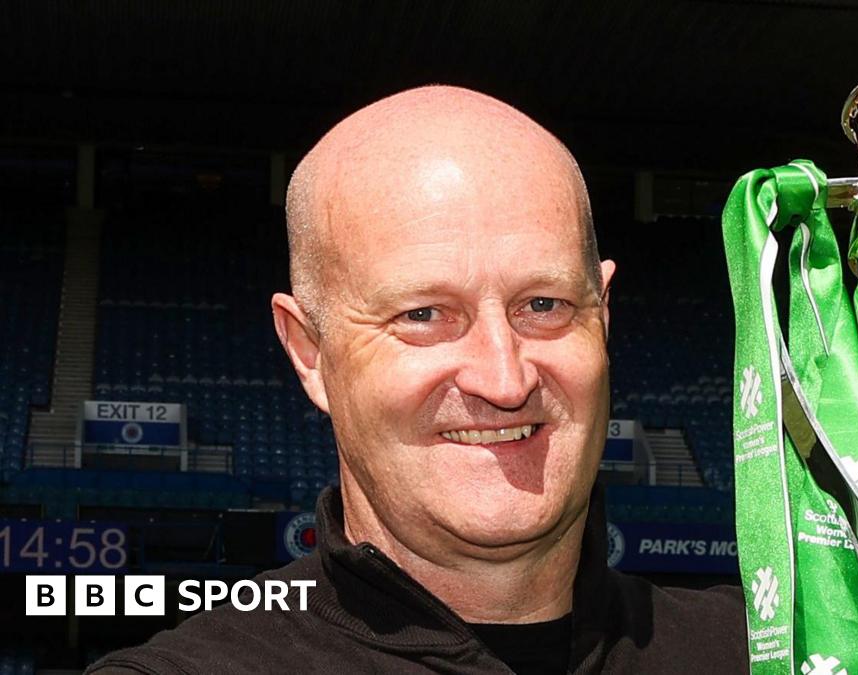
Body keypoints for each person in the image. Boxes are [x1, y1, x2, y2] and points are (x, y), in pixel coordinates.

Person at [87, 86, 749, 674]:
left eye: (543, 304)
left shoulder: (774, 655)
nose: (504, 376)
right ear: (310, 351)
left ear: (603, 315)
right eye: (424, 314)